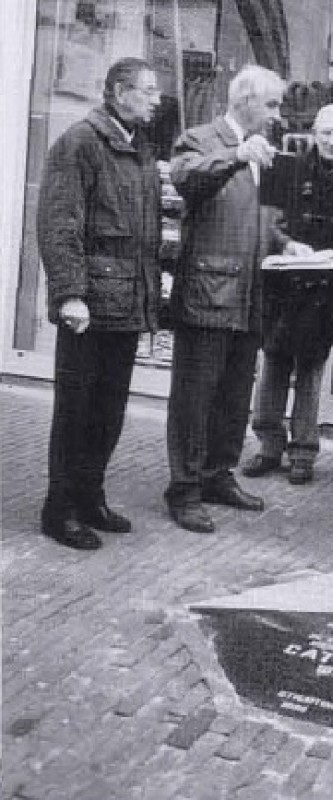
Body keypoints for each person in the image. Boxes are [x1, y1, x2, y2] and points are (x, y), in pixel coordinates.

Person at [165, 65, 311, 533]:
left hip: (249, 295)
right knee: (195, 397)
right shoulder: (201, 139)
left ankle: (216, 474)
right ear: (245, 100)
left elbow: (253, 217)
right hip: (208, 292)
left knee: (233, 394)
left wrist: (285, 242)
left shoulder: (257, 149)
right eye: (271, 105)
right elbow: (188, 180)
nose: (277, 115)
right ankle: (184, 488)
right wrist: (234, 154)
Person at [37, 57, 162, 551]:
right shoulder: (80, 143)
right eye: (148, 91)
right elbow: (59, 224)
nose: (156, 99)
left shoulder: (137, 149)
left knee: (108, 410)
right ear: (118, 92)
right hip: (89, 308)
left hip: (125, 304)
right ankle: (58, 509)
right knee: (76, 412)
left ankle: (90, 498)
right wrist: (70, 294)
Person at [242, 104, 333, 485]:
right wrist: (285, 243)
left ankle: (303, 452)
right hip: (281, 286)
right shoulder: (287, 172)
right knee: (272, 363)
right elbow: (265, 223)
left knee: (309, 369)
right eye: (326, 133)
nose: (332, 141)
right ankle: (268, 445)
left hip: (324, 294)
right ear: (315, 134)